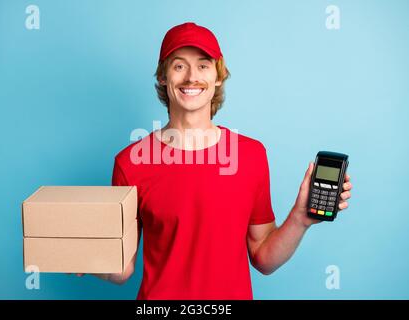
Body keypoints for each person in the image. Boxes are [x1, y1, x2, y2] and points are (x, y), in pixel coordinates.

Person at [77, 22, 353, 300]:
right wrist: (79, 256)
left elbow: (263, 257)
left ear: (218, 77)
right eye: (179, 66)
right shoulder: (130, 163)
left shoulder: (251, 156)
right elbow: (122, 269)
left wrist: (300, 218)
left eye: (203, 65)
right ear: (163, 77)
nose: (191, 77)